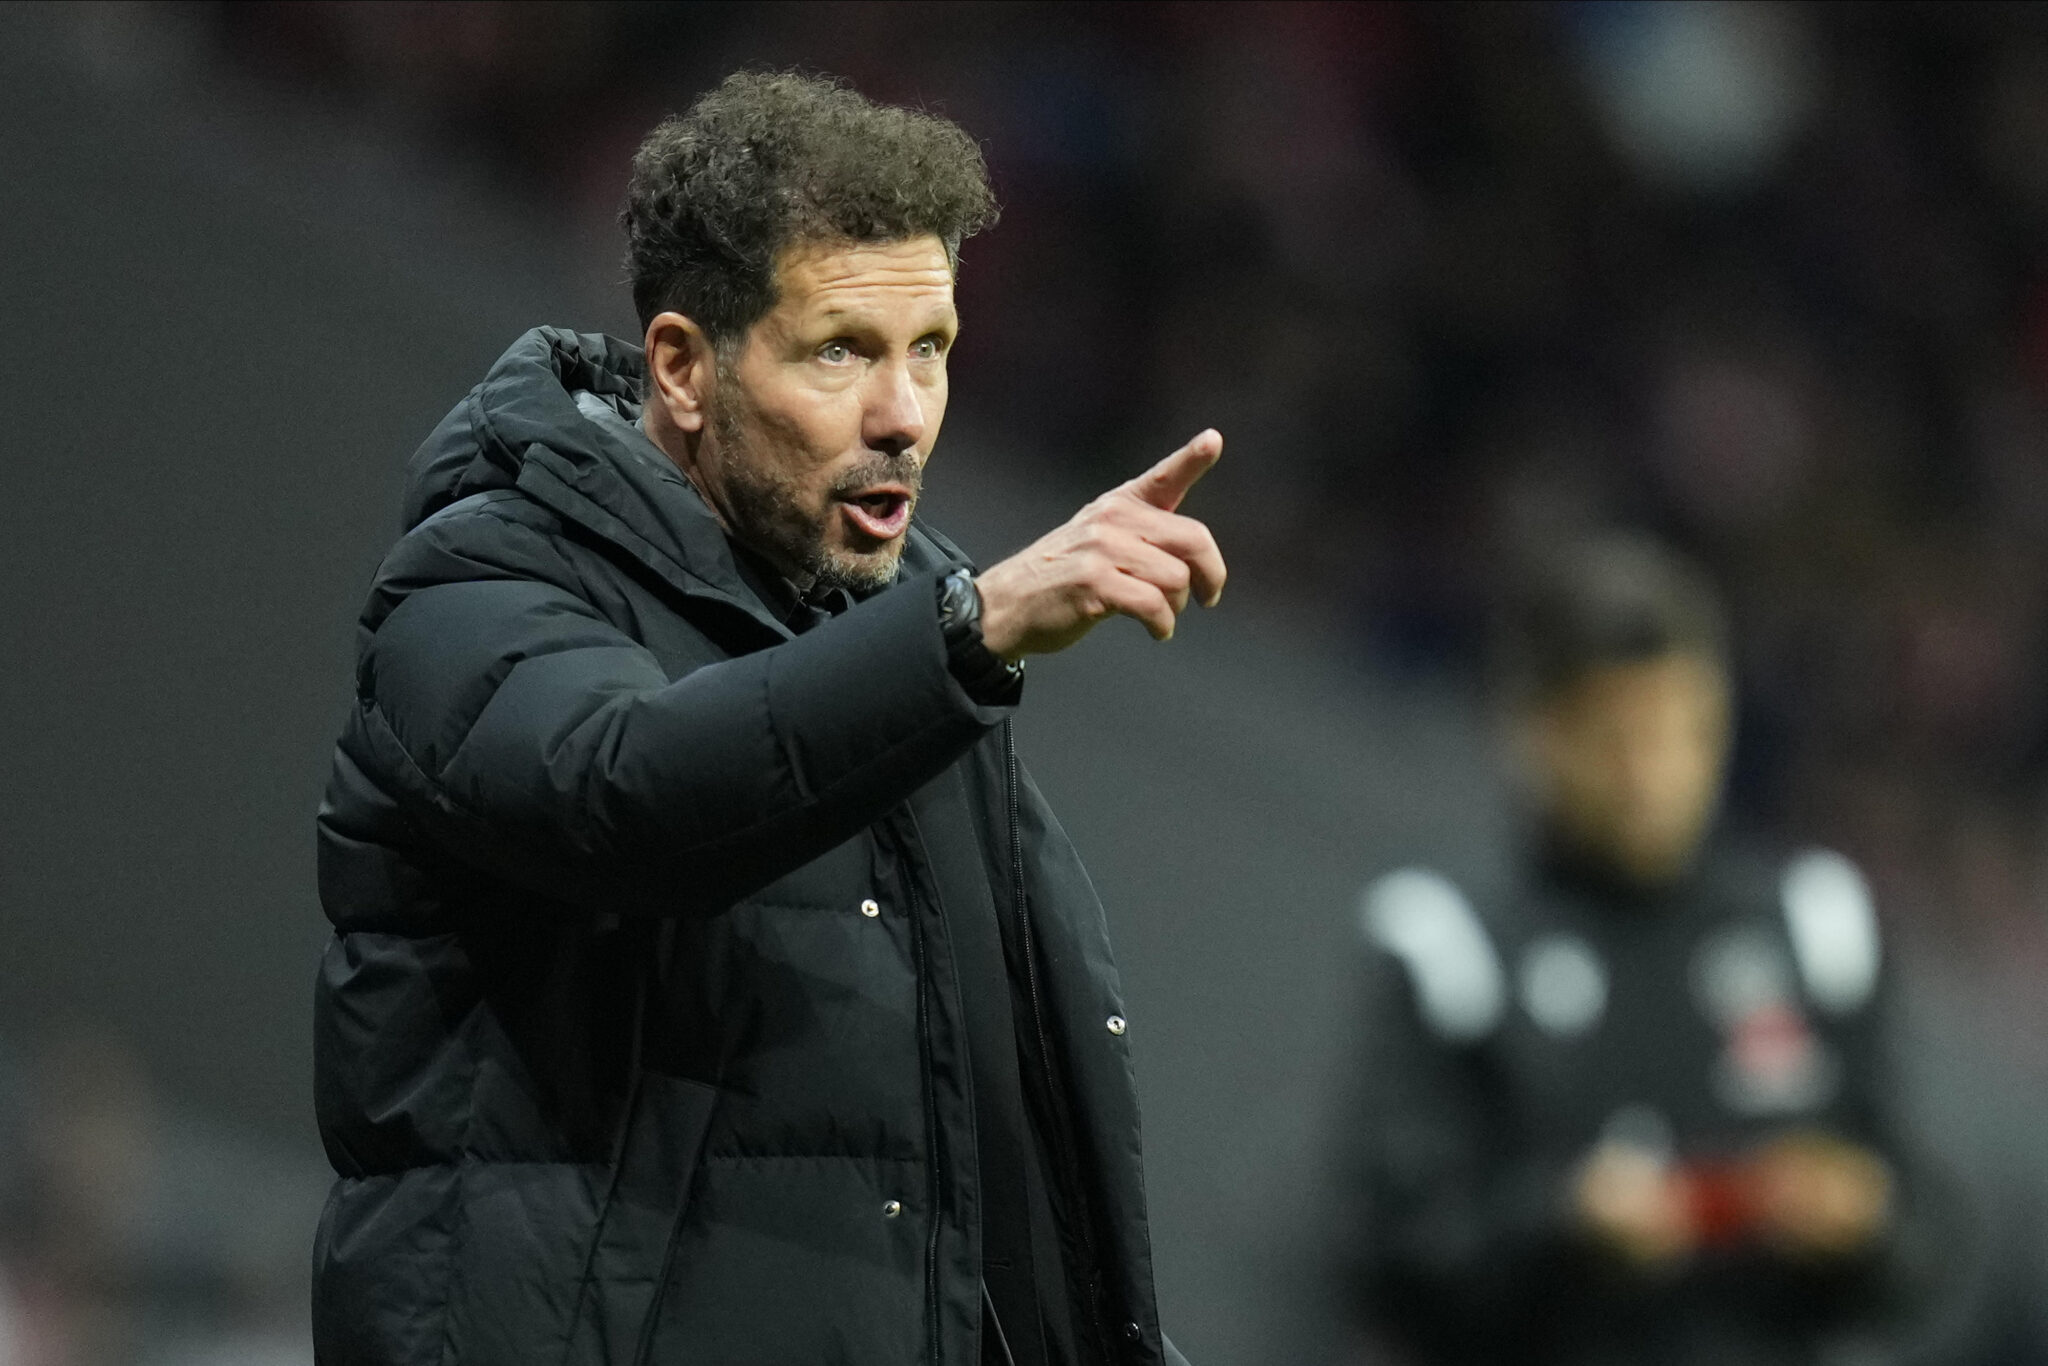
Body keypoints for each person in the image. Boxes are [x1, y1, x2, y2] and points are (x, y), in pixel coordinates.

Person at [310, 72, 1222, 1366]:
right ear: (683, 366)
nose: (904, 413)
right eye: (842, 349)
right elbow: (626, 794)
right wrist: (963, 634)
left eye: (933, 350)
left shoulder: (908, 636)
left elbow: (988, 1166)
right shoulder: (479, 584)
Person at [1331, 535, 1946, 1366]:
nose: (1656, 773)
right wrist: (1562, 1227)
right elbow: (1385, 1256)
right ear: (1535, 733)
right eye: (1619, 738)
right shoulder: (1450, 943)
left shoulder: (1816, 925)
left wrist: (1862, 1221)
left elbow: (1929, 1242)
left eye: (1687, 730)